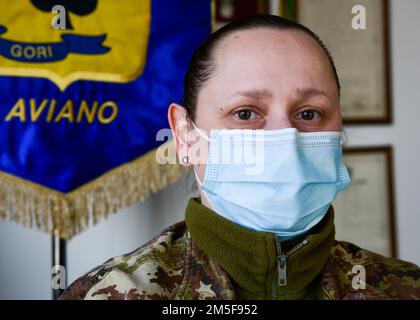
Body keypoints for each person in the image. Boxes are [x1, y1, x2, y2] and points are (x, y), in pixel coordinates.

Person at [60, 14, 420, 300]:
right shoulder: (113, 294)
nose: (286, 139)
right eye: (246, 113)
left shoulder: (405, 288)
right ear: (185, 136)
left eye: (308, 114)